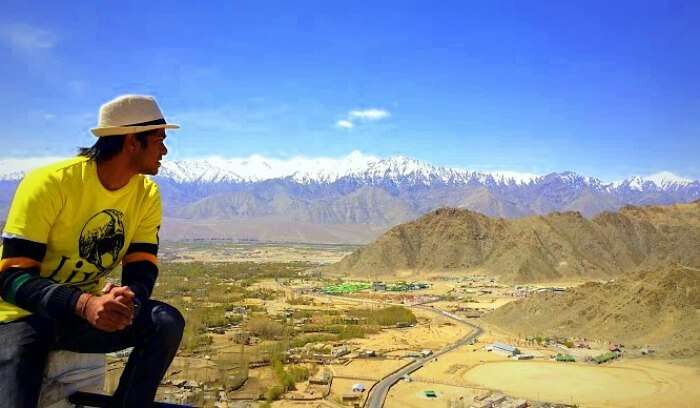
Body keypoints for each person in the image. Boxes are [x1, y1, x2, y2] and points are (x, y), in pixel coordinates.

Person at [0, 95, 185, 407]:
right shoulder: (49, 184)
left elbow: (141, 267)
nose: (165, 150)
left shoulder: (146, 194)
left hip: (81, 317)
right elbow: (11, 279)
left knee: (164, 322)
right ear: (131, 142)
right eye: (159, 139)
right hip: (22, 318)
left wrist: (128, 300)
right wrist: (83, 303)